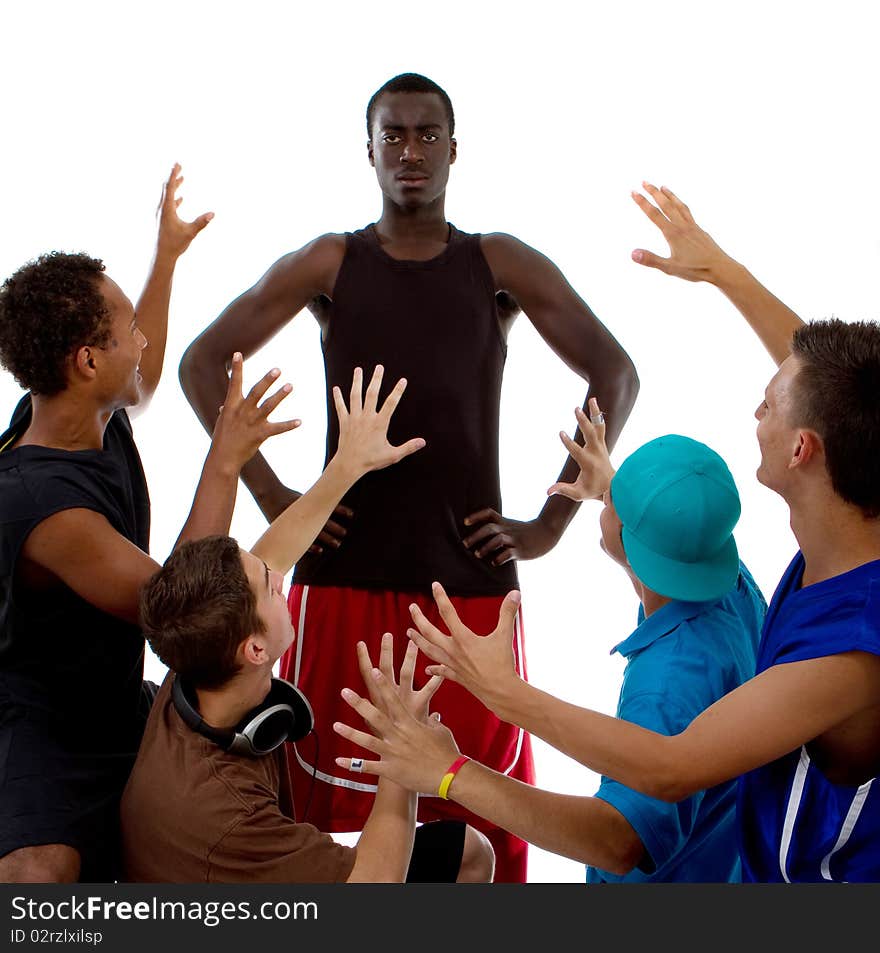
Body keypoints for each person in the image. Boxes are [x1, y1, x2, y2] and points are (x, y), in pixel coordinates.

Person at [341, 186, 880, 883]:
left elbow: (669, 768)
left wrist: (484, 714)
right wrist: (724, 272)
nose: (757, 406)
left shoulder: (845, 653)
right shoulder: (847, 504)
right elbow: (847, 391)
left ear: (804, 450)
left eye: (770, 403)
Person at [177, 72, 639, 881]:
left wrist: (549, 522)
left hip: (466, 590)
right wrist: (276, 493)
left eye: (428, 135)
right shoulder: (334, 260)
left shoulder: (497, 262)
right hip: (343, 579)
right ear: (369, 151)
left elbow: (615, 371)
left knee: (478, 810)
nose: (412, 152)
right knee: (334, 811)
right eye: (394, 135)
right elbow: (201, 363)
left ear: (455, 150)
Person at [0, 166, 302, 883]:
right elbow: (177, 602)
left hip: (111, 698)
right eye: (126, 328)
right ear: (85, 361)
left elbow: (147, 366)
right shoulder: (41, 502)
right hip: (41, 724)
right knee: (43, 876)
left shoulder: (79, 413)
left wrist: (165, 258)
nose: (141, 341)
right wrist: (224, 456)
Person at [331, 404, 766, 881]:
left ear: (628, 535)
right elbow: (673, 536)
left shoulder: (666, 685)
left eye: (616, 502)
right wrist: (621, 491)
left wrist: (449, 770)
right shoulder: (728, 580)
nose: (609, 498)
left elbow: (616, 841)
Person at [121, 366, 494, 882]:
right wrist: (400, 755)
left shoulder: (193, 669)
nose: (283, 580)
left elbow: (273, 553)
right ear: (254, 650)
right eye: (271, 586)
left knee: (466, 850)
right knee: (466, 856)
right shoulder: (228, 815)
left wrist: (346, 467)